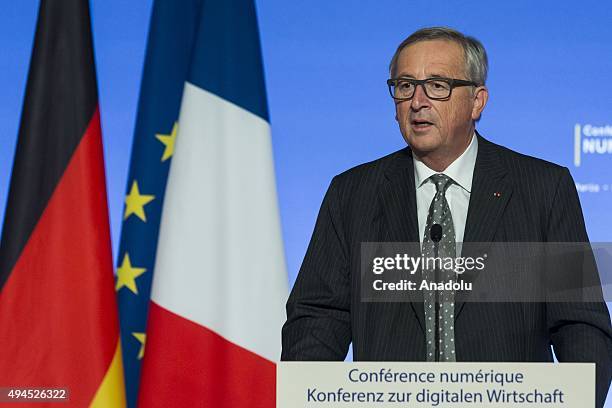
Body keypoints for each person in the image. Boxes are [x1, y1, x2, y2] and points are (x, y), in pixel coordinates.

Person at [281, 27, 612, 407]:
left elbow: (581, 325)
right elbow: (318, 320)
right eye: (405, 86)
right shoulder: (352, 193)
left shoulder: (543, 188)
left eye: (436, 85)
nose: (417, 101)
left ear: (477, 101)